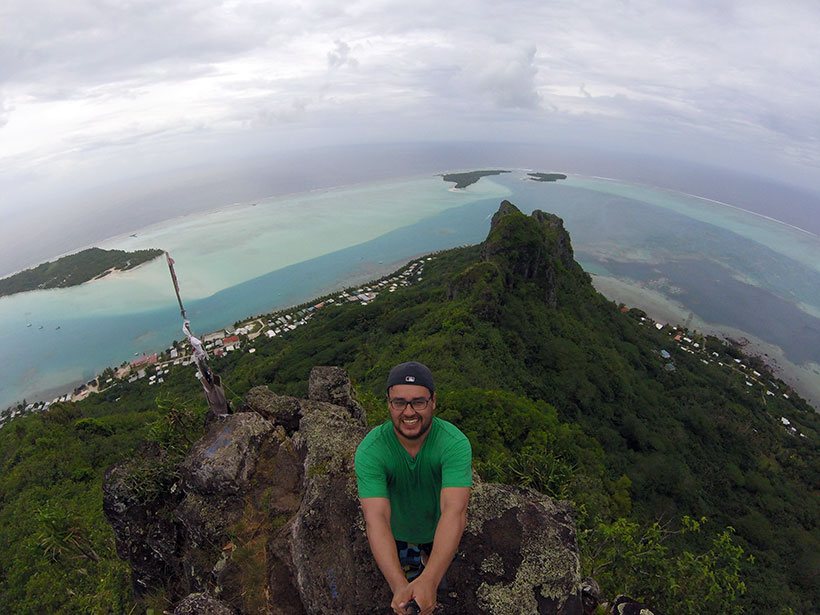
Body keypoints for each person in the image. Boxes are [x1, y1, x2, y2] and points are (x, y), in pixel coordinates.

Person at [354, 362, 472, 615]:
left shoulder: (454, 443)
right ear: (388, 403)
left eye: (418, 402)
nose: (409, 412)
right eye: (399, 402)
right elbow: (376, 518)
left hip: (442, 532)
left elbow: (455, 511)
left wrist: (429, 580)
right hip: (399, 537)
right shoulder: (372, 449)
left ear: (433, 402)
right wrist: (399, 586)